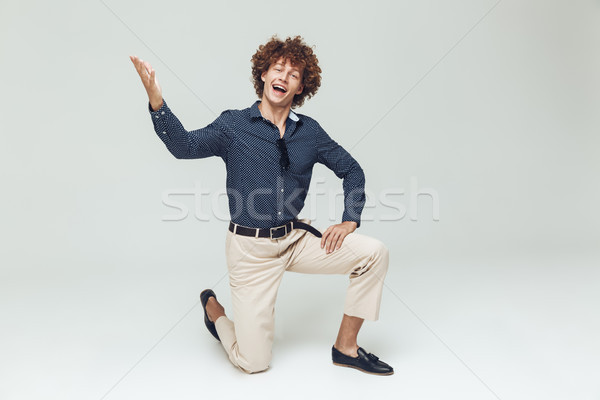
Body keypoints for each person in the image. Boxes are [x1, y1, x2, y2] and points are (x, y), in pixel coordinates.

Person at [130, 35, 393, 375]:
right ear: (264, 75)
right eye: (277, 69)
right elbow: (183, 145)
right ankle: (215, 312)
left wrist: (349, 220)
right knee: (253, 363)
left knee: (375, 253)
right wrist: (157, 102)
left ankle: (346, 347)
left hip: (296, 239)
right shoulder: (233, 126)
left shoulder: (309, 132)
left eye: (293, 74)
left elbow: (352, 170)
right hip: (250, 251)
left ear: (300, 88)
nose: (283, 77)